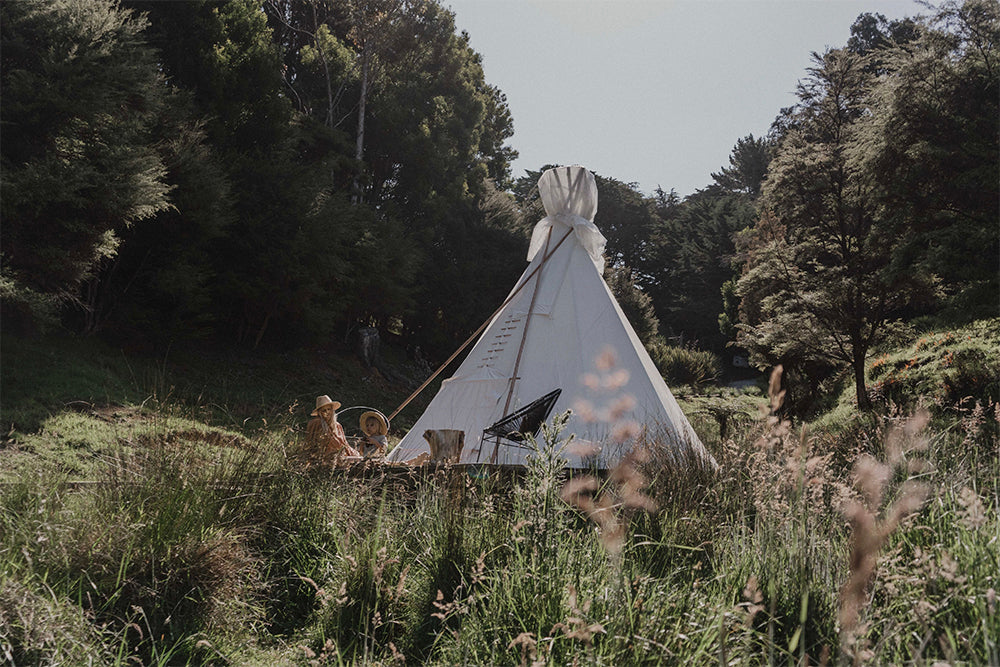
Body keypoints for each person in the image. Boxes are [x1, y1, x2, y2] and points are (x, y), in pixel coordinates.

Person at [303, 395, 358, 467]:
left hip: (338, 454)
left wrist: (350, 451)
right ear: (319, 412)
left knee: (357, 456)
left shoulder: (337, 425)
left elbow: (344, 443)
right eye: (324, 410)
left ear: (332, 410)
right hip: (324, 455)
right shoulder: (316, 423)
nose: (327, 412)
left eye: (329, 409)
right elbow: (327, 441)